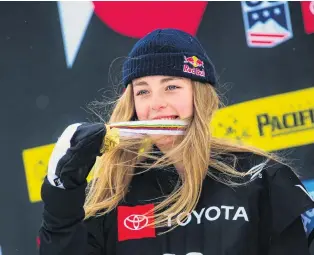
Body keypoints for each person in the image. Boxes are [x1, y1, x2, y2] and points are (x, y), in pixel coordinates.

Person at [39, 28, 314, 255]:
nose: (156, 104)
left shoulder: (260, 178)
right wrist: (61, 194)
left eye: (171, 87)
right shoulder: (112, 192)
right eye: (143, 91)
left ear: (201, 96)